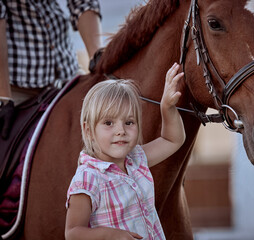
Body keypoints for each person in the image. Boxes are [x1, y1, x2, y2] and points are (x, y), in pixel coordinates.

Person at [64, 63, 186, 240]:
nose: (121, 130)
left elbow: (173, 140)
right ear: (89, 130)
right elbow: (73, 232)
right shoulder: (88, 179)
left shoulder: (136, 159)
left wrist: (167, 107)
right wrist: (111, 235)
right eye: (108, 123)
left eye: (129, 122)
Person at [0, 0, 102, 139]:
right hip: (16, 86)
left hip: (66, 72)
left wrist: (96, 57)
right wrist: (4, 98)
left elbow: (82, 3)